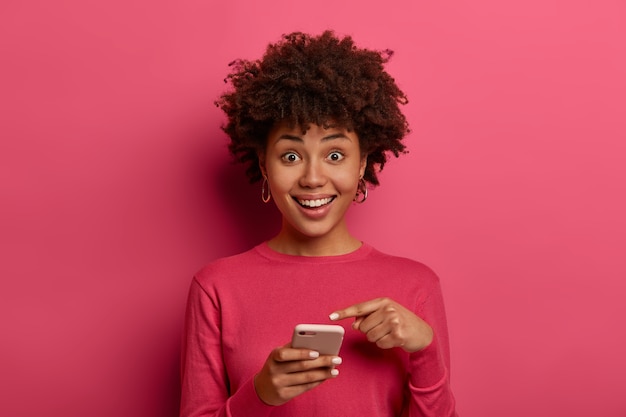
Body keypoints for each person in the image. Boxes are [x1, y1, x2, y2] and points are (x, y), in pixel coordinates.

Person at [180, 31, 457, 417]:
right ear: (264, 165)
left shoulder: (417, 285)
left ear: (361, 163)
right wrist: (259, 394)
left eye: (335, 154)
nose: (312, 178)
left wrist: (426, 349)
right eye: (291, 156)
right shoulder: (216, 287)